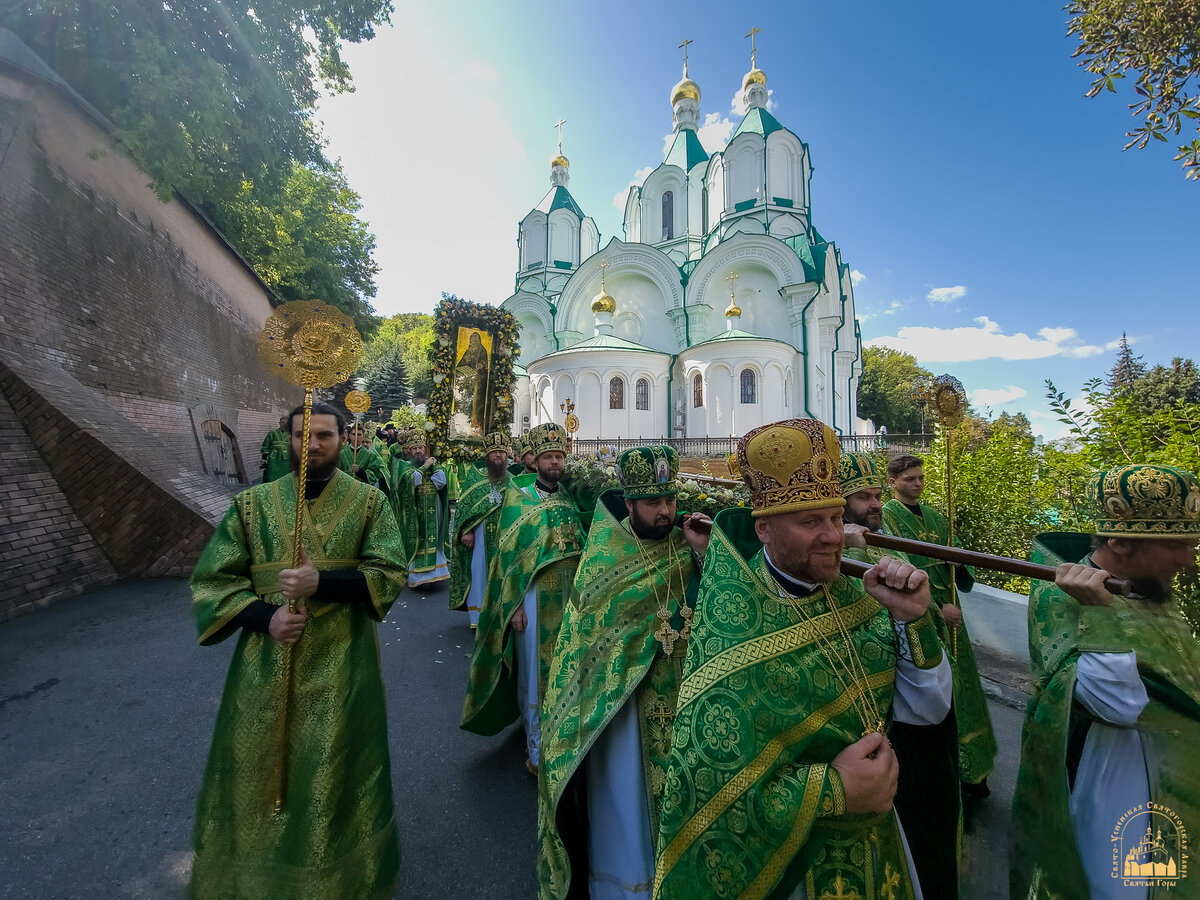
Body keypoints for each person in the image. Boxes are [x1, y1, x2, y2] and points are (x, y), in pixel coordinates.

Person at [654, 418, 953, 900]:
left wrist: (913, 620)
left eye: (835, 518)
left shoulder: (859, 598)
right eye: (811, 522)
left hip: (883, 852)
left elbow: (928, 710)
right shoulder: (734, 623)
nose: (833, 536)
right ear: (765, 529)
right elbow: (715, 798)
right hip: (790, 872)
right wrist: (835, 789)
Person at [188, 401, 407, 899]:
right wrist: (265, 617)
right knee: (257, 766)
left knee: (335, 770)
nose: (311, 445)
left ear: (343, 439)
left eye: (324, 436)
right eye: (302, 436)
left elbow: (389, 573)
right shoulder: (251, 505)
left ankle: (337, 881)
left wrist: (320, 582)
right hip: (265, 663)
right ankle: (256, 876)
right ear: (286, 440)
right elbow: (212, 583)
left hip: (343, 664)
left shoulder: (370, 503)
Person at [1012, 464, 1200, 900]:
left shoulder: (1149, 587)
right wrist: (1099, 614)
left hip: (1175, 775)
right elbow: (1118, 707)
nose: (1189, 562)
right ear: (1119, 542)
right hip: (1116, 779)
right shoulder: (1060, 595)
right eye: (1178, 546)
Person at [538, 447, 712, 900]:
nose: (666, 512)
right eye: (653, 504)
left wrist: (701, 555)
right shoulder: (606, 559)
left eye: (670, 501)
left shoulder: (687, 546)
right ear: (630, 505)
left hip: (686, 703)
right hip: (625, 709)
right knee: (626, 802)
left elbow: (717, 607)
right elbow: (589, 642)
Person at [841, 453, 960, 899]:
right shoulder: (849, 547)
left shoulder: (883, 538)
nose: (875, 505)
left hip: (913, 700)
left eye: (876, 494)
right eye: (864, 497)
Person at [461, 422, 584, 773]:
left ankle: (563, 739)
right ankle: (537, 745)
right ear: (537, 460)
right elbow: (508, 560)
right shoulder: (520, 497)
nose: (555, 462)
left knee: (565, 669)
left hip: (567, 600)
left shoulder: (568, 498)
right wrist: (512, 606)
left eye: (560, 456)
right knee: (534, 672)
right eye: (548, 456)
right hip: (531, 600)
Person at [882, 453, 997, 798]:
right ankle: (947, 768)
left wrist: (957, 561)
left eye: (920, 478)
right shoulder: (888, 516)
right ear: (893, 482)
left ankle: (974, 769)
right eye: (909, 479)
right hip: (925, 608)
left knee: (964, 683)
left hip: (951, 607)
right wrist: (936, 608)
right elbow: (896, 564)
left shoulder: (936, 514)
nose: (917, 484)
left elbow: (956, 554)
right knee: (934, 683)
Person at [449, 431, 512, 628]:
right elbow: (465, 507)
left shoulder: (512, 480)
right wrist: (466, 531)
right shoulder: (475, 478)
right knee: (479, 572)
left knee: (503, 573)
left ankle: (500, 614)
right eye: (495, 453)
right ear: (487, 455)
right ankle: (478, 616)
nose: (499, 456)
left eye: (502, 452)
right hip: (480, 536)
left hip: (505, 536)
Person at [387, 433, 450, 589]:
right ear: (409, 450)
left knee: (433, 539)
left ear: (425, 449)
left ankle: (435, 574)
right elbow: (411, 481)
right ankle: (417, 576)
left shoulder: (434, 464)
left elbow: (441, 483)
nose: (418, 451)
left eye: (420, 448)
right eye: (414, 448)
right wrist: (425, 467)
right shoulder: (404, 465)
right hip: (413, 511)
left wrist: (433, 466)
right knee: (417, 540)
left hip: (432, 508)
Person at [339, 423, 387, 487]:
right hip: (345, 487)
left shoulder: (371, 455)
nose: (356, 437)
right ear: (349, 436)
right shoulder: (341, 454)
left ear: (362, 436)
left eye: (359, 435)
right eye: (354, 434)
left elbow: (375, 474)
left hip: (363, 488)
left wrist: (360, 472)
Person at [259, 415, 291, 483]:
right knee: (272, 476)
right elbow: (266, 446)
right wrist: (264, 459)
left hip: (287, 459)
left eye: (286, 422)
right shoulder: (272, 433)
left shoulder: (292, 434)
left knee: (286, 477)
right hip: (274, 459)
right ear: (279, 423)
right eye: (282, 422)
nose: (284, 424)